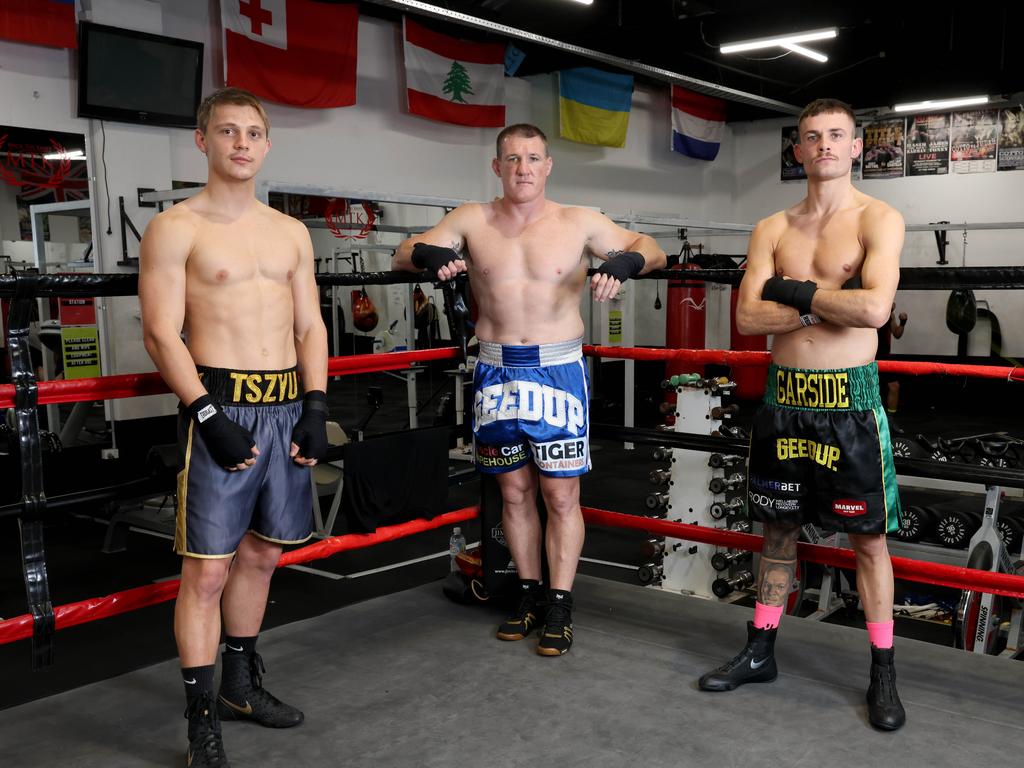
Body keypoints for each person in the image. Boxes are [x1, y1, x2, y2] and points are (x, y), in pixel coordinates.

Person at [392, 123, 666, 656]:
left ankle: (560, 604)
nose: (523, 168)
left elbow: (650, 248)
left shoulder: (577, 221)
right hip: (495, 369)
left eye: (533, 158)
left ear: (548, 166)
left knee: (560, 494)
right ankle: (528, 593)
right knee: (513, 492)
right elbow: (405, 251)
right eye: (513, 159)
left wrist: (626, 262)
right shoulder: (472, 219)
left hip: (558, 369)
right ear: (497, 166)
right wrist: (428, 256)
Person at [697, 98, 907, 732]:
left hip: (849, 403)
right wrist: (820, 304)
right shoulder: (771, 227)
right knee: (778, 531)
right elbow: (747, 318)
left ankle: (883, 672)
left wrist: (789, 293)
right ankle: (761, 650)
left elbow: (874, 311)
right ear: (797, 150)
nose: (823, 146)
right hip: (786, 400)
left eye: (836, 135)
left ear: (855, 147)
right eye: (812, 137)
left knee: (868, 541)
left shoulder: (881, 218)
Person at [140, 87, 329, 767]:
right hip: (219, 402)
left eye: (253, 133)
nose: (241, 143)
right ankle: (200, 724)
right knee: (209, 573)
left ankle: (241, 688)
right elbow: (161, 332)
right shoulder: (176, 226)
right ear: (203, 141)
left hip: (285, 404)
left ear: (267, 144)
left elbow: (310, 324)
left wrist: (316, 405)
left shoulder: (290, 232)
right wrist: (206, 413)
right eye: (228, 131)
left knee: (262, 554)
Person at [878, 304, 908, 415]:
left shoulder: (890, 314)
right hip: (870, 357)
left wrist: (903, 323)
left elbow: (897, 333)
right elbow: (874, 330)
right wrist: (886, 311)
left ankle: (891, 418)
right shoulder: (871, 312)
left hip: (885, 357)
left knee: (894, 386)